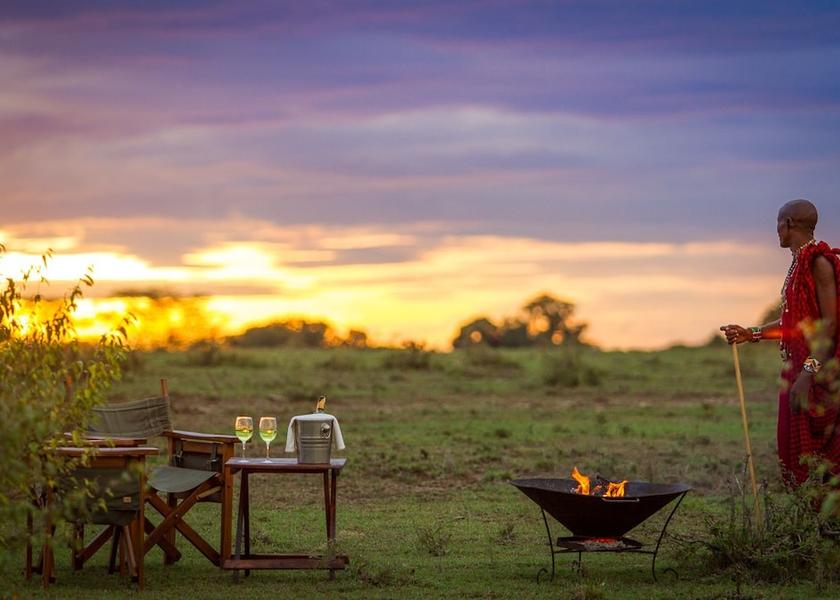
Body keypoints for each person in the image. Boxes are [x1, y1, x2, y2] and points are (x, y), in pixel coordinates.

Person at [721, 199, 840, 487]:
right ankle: (808, 522)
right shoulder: (797, 264)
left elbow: (831, 327)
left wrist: (808, 375)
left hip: (817, 376)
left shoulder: (819, 263)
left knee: (824, 458)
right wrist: (753, 333)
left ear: (788, 224)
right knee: (794, 453)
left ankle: (825, 525)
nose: (776, 231)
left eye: (777, 223)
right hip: (796, 372)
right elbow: (793, 327)